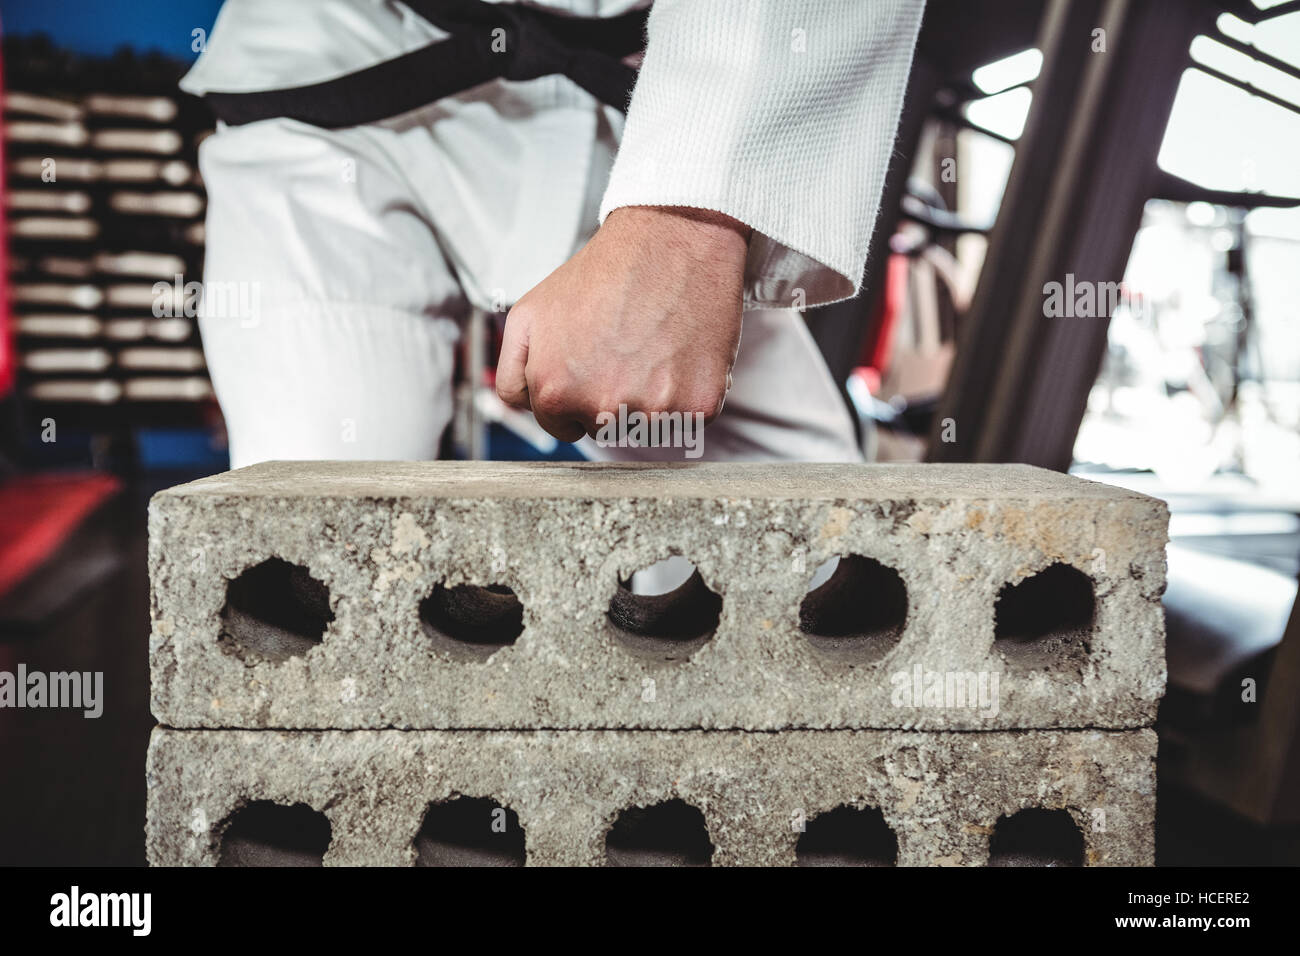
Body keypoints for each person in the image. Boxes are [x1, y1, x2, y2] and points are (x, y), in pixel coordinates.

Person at [181, 0, 924, 468]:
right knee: (310, 542)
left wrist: (687, 220)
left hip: (650, 85)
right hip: (338, 66)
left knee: (813, 553)